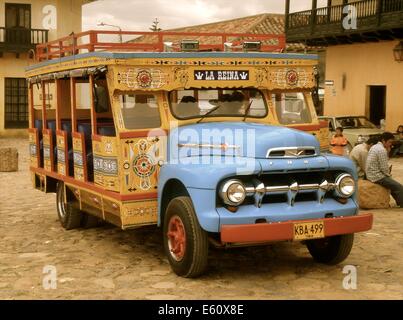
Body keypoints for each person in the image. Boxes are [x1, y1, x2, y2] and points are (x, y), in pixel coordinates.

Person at [366, 132, 403, 208]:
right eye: (389, 142)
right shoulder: (381, 150)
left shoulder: (375, 146)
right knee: (399, 187)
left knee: (392, 184)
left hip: (371, 174)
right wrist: (389, 176)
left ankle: (399, 202)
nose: (391, 144)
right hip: (376, 176)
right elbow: (384, 169)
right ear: (383, 140)